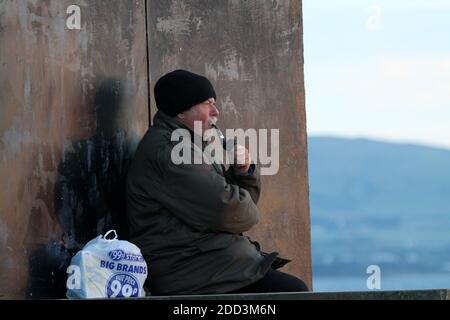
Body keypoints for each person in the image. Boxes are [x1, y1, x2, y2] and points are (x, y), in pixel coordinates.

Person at [126, 69, 309, 295]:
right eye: (206, 104)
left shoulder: (190, 144)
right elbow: (235, 213)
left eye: (214, 103)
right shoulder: (172, 152)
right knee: (293, 292)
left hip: (208, 263)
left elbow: (237, 212)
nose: (216, 111)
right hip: (191, 270)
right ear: (180, 111)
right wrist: (239, 199)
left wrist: (243, 171)